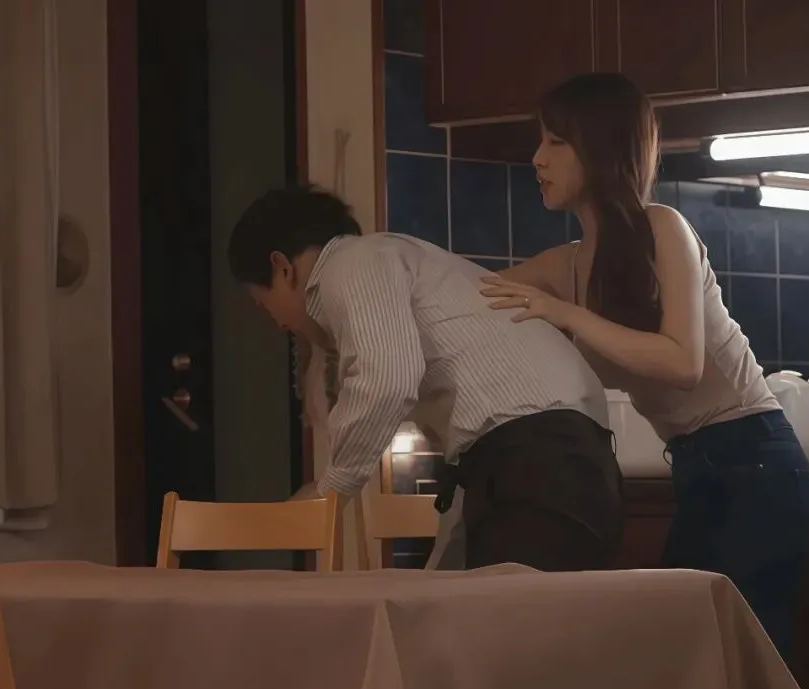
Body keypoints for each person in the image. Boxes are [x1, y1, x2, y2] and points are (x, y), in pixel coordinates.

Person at [478, 72, 809, 661]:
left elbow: (683, 362)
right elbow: (463, 292)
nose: (537, 159)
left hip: (757, 463)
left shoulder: (663, 226)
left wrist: (567, 314)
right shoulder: (567, 265)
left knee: (741, 661)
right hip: (697, 468)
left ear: (600, 148)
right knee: (688, 656)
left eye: (556, 142)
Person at [227, 185, 623, 572]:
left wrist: (327, 492)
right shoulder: (396, 263)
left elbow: (386, 380)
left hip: (544, 458)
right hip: (555, 457)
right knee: (486, 609)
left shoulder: (350, 263)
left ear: (282, 267)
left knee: (516, 616)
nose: (277, 322)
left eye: (264, 304)